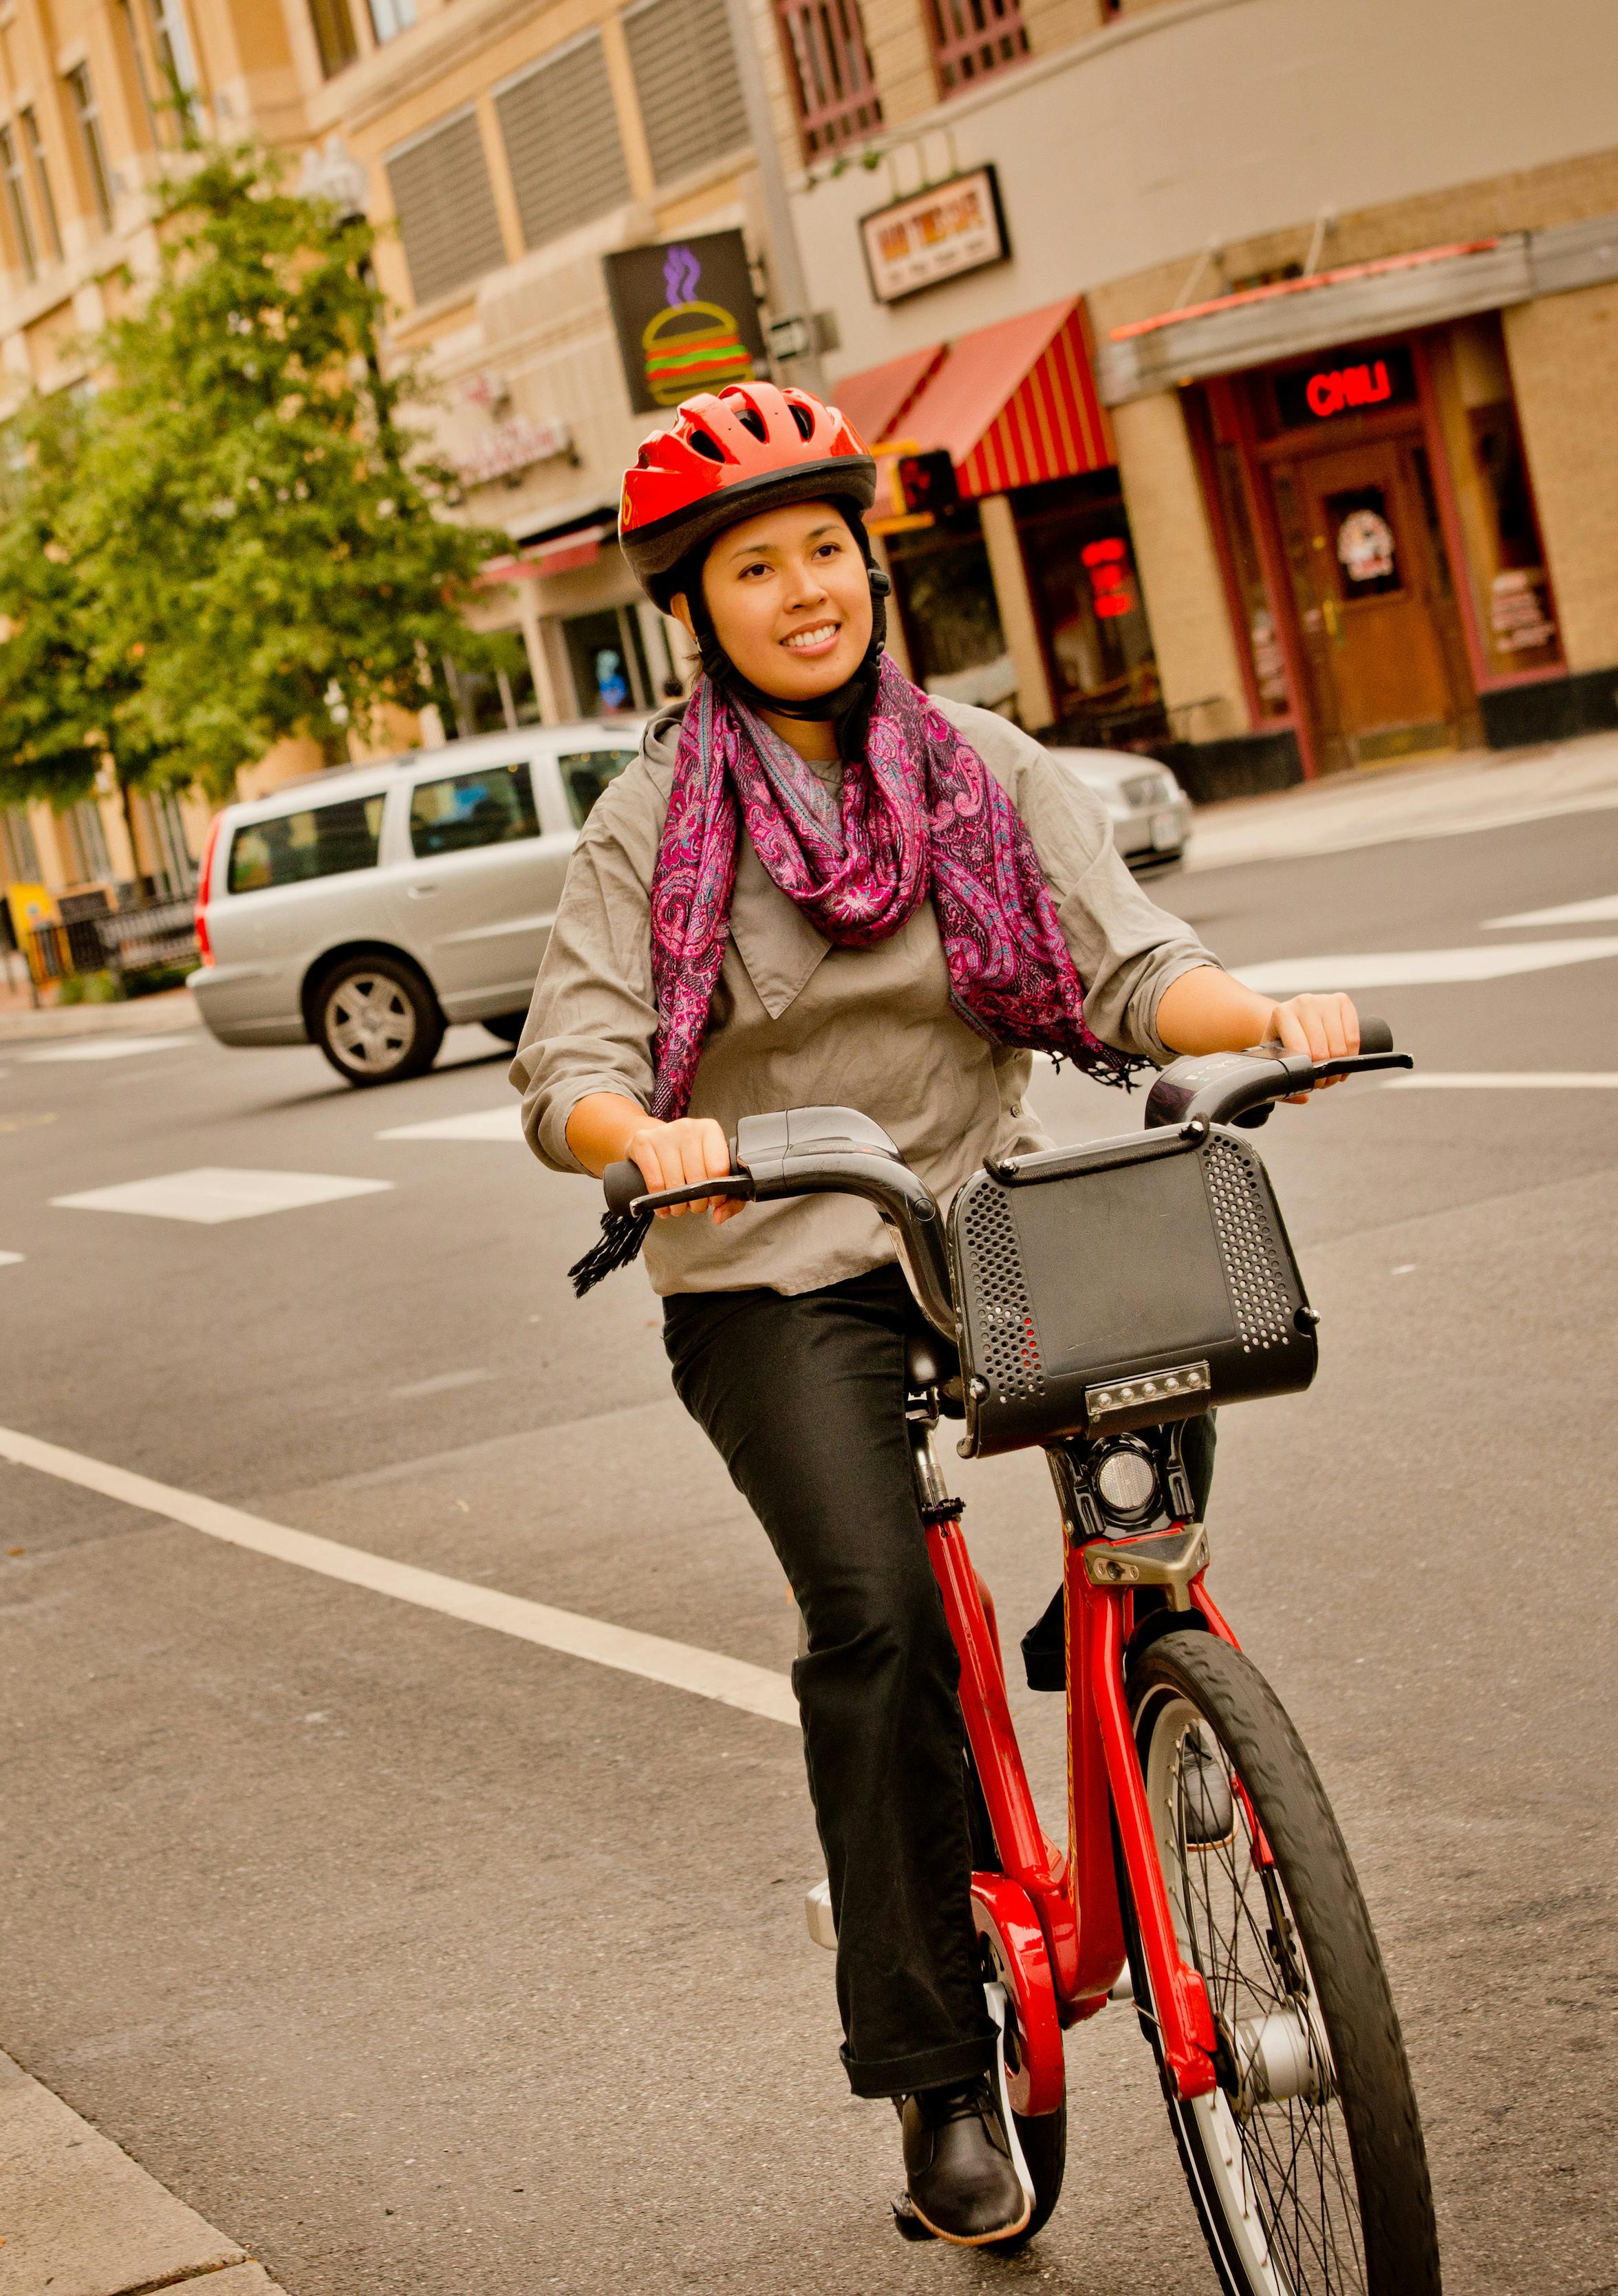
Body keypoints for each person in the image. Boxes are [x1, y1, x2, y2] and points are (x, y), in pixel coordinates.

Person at [508, 382, 1359, 2246]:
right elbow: (564, 1059)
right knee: (880, 1622)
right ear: (696, 608)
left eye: (828, 548)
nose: (805, 587)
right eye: (757, 564)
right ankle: (933, 2080)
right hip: (773, 1264)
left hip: (974, 1218)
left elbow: (1132, 966)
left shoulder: (976, 763)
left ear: (869, 568)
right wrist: (643, 1133)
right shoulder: (655, 823)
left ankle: (1134, 1656)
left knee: (1174, 1285)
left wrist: (1272, 1016)